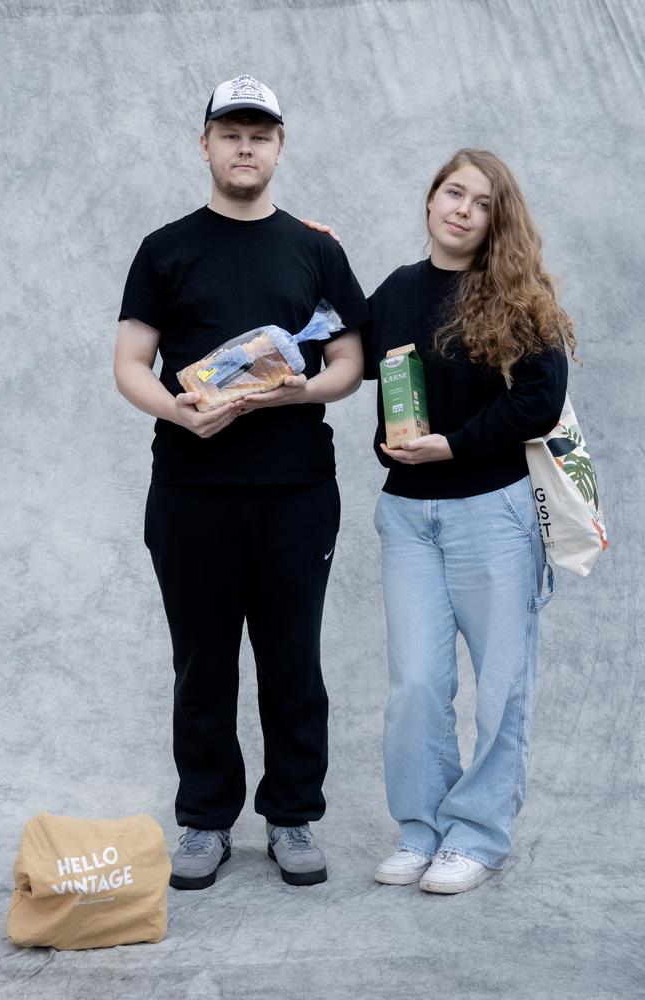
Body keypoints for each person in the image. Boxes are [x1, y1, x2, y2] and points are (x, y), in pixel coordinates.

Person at [114, 74, 369, 890]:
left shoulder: (316, 248)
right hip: (191, 490)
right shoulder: (166, 247)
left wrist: (306, 389)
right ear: (206, 146)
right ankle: (205, 823)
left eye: (261, 133)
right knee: (203, 662)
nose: (246, 146)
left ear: (280, 147)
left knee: (293, 659)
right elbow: (130, 363)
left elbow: (351, 362)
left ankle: (292, 816)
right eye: (231, 132)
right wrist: (180, 413)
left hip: (296, 491)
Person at [360, 149, 574, 893]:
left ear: (495, 221)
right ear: (430, 199)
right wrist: (313, 251)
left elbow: (539, 402)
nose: (462, 209)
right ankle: (421, 829)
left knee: (500, 685)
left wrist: (451, 444)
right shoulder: (393, 291)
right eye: (453, 192)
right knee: (416, 685)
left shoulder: (514, 294)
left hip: (493, 512)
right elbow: (349, 358)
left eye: (481, 202)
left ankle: (477, 835)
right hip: (408, 516)